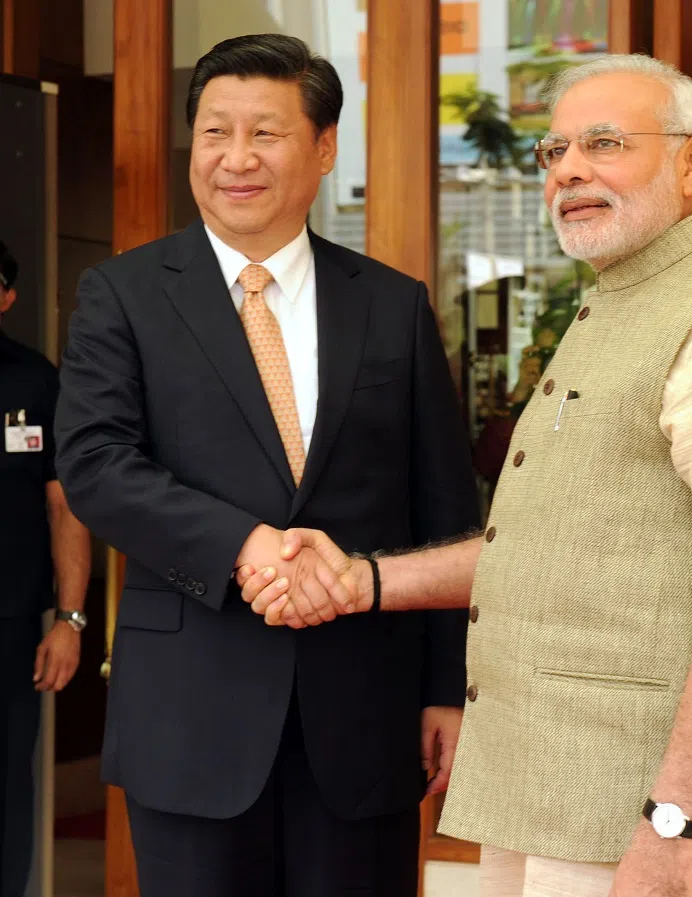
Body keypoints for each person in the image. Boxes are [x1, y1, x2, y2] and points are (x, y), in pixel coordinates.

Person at [240, 54, 692, 897]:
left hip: (667, 831)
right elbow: (545, 547)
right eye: (554, 152)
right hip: (561, 805)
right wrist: (359, 580)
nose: (570, 170)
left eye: (604, 143)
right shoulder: (617, 300)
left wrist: (672, 824)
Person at [54, 34, 478, 897]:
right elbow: (97, 464)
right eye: (215, 133)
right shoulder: (123, 294)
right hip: (190, 711)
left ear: (324, 148)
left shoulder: (392, 305)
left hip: (365, 707)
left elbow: (441, 501)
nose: (235, 159)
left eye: (266, 134)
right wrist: (245, 544)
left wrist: (448, 689)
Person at [0, 240, 91, 897]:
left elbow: (67, 509)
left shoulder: (37, 383)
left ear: (6, 295)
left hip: (9, 628)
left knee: (6, 785)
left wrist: (71, 617)